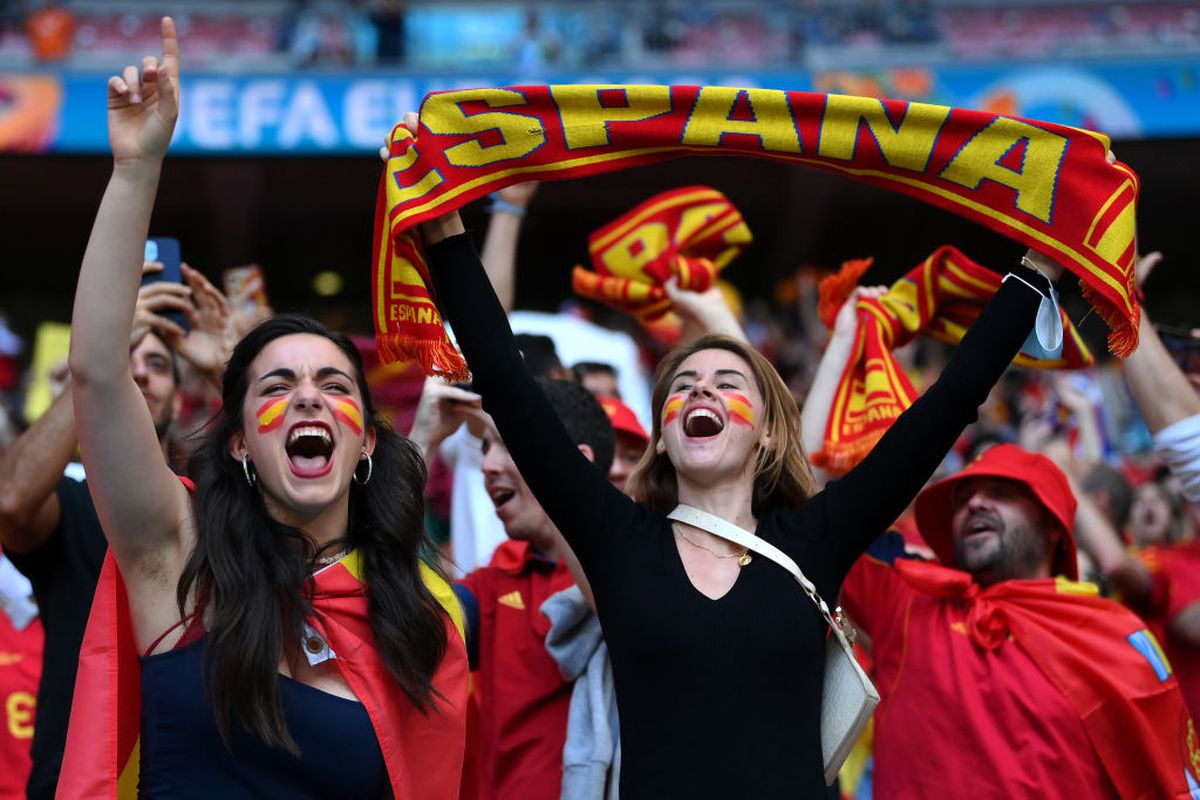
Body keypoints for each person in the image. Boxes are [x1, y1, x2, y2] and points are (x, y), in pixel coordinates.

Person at [413, 106, 1066, 794]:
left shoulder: (817, 537)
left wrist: (1036, 271)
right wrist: (444, 231)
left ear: (768, 433)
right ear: (663, 434)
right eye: (684, 385)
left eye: (729, 383)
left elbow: (944, 408)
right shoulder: (615, 539)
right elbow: (508, 384)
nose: (703, 393)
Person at [60, 20, 466, 797]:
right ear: (240, 442)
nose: (308, 395)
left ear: (367, 446)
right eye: (276, 387)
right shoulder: (179, 558)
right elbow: (98, 374)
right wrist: (135, 169)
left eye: (335, 386)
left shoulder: (419, 619)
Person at [841, 444, 1198, 797]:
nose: (975, 503)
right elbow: (813, 508)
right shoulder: (907, 597)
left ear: (1052, 525)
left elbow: (1175, 781)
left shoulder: (1112, 636)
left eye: (999, 492)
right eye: (963, 499)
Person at [0, 295, 202, 799]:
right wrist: (96, 368)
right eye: (125, 360)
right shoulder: (70, 502)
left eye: (155, 364)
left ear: (179, 399)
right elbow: (10, 501)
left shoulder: (213, 510)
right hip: (77, 781)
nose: (137, 373)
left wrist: (229, 365)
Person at [409, 375, 614, 799]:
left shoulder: (651, 569)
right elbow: (404, 623)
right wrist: (422, 443)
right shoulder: (496, 581)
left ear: (574, 463)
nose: (487, 465)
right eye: (485, 447)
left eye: (507, 443)